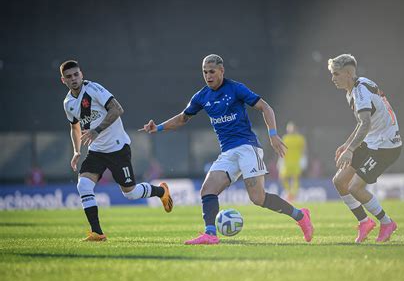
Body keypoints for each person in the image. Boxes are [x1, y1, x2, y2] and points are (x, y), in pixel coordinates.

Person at [140, 54, 313, 245]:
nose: (208, 76)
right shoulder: (201, 96)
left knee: (257, 198)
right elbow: (183, 118)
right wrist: (159, 127)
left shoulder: (236, 88)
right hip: (228, 152)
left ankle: (300, 216)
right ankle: (210, 234)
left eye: (212, 72)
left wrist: (273, 134)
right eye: (205, 72)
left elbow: (266, 108)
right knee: (207, 190)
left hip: (248, 147)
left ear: (221, 71)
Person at [61, 60, 173, 242]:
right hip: (96, 151)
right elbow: (74, 127)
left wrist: (97, 130)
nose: (73, 79)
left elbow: (117, 109)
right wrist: (76, 151)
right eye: (69, 76)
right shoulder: (68, 103)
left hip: (117, 148)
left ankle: (161, 192)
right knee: (83, 186)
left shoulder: (94, 89)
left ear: (81, 74)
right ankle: (97, 232)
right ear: (63, 80)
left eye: (76, 74)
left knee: (130, 193)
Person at [328, 54, 402, 243]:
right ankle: (364, 222)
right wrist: (347, 144)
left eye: (336, 74)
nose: (333, 78)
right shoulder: (355, 88)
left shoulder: (360, 92)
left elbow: (366, 123)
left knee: (354, 187)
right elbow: (363, 124)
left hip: (386, 145)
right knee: (339, 181)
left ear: (347, 73)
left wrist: (350, 150)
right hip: (372, 141)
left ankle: (387, 223)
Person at [278, 121, 307, 202]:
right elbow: (282, 149)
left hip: (296, 162)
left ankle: (294, 195)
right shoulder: (285, 138)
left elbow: (304, 149)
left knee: (295, 178)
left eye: (292, 127)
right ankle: (289, 192)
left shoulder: (300, 138)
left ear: (295, 128)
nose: (291, 129)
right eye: (289, 128)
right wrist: (280, 160)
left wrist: (304, 159)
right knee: (282, 177)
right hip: (286, 162)